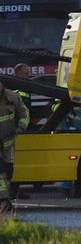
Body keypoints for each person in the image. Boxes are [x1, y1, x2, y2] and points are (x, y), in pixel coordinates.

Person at [0, 76, 30, 217]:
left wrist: (21, 126)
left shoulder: (12, 97)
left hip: (8, 142)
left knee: (8, 171)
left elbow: (24, 113)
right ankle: (4, 200)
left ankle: (5, 199)